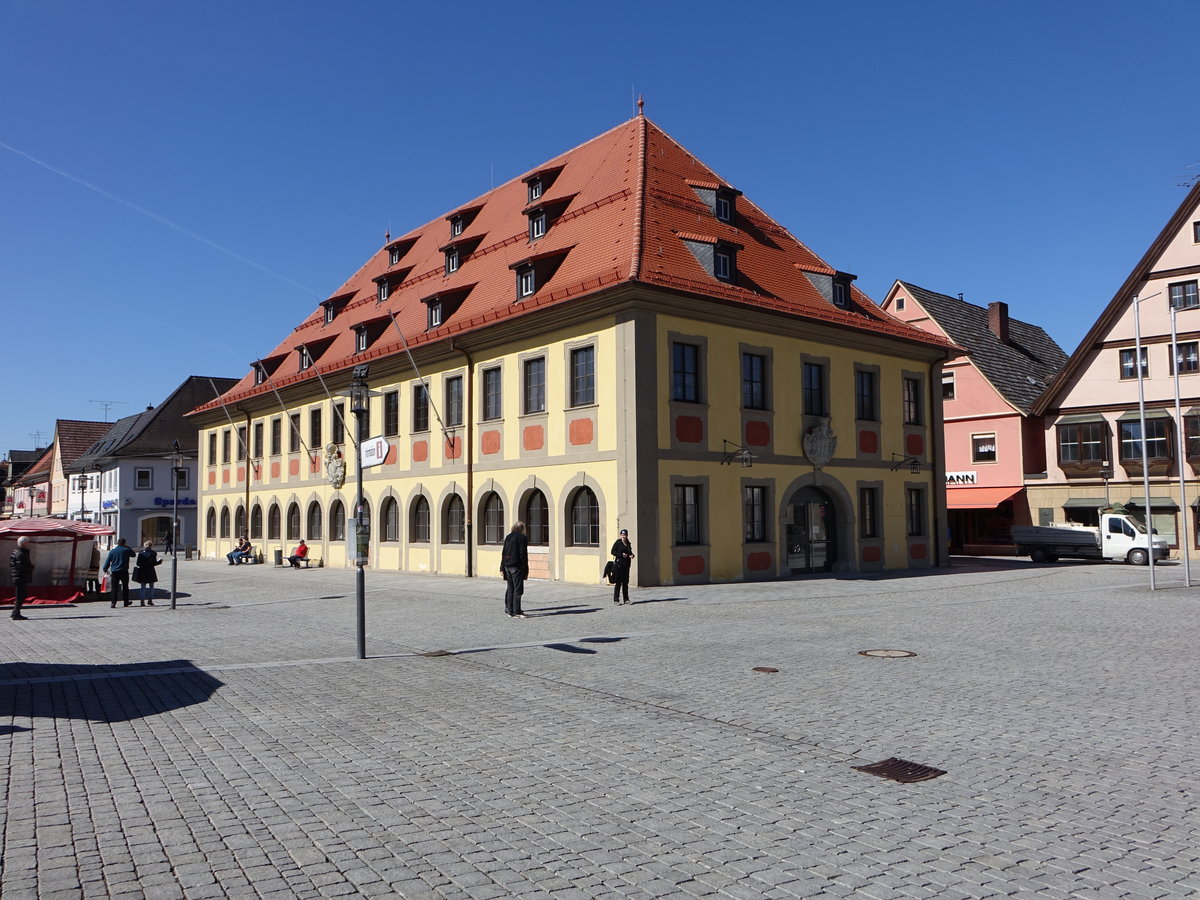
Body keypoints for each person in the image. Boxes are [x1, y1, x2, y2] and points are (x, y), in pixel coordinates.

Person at [499, 521, 529, 618]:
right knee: (518, 589)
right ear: (522, 529)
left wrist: (502, 567)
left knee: (510, 588)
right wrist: (526, 569)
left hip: (507, 565)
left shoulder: (508, 536)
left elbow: (503, 553)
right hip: (517, 566)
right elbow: (523, 554)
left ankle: (509, 610)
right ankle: (517, 611)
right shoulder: (522, 538)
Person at [103, 537, 136, 609]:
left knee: (114, 588)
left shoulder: (112, 551)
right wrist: (128, 547)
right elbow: (134, 555)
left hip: (114, 572)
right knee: (125, 587)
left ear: (118, 543)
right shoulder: (126, 550)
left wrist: (105, 568)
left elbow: (108, 561)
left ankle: (113, 603)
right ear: (124, 543)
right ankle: (126, 602)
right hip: (124, 571)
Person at [9, 536, 33, 620]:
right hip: (20, 577)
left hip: (17, 576)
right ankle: (16, 613)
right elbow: (21, 566)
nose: (29, 544)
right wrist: (31, 568)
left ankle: (15, 612)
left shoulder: (16, 552)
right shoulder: (21, 553)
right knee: (21, 596)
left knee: (21, 595)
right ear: (24, 543)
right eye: (28, 542)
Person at [610, 528, 635, 604]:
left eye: (624, 535)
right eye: (622, 535)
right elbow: (612, 551)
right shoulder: (618, 543)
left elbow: (630, 552)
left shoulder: (628, 543)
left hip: (626, 565)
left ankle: (626, 599)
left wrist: (632, 555)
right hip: (619, 565)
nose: (623, 536)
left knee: (625, 583)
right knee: (618, 582)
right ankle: (616, 599)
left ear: (627, 536)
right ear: (620, 535)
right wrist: (621, 555)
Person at [132, 540, 160, 606]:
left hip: (142, 571)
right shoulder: (153, 553)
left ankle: (142, 601)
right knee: (151, 586)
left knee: (143, 587)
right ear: (151, 546)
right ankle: (150, 600)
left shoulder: (141, 553)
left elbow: (138, 563)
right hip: (150, 571)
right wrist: (159, 562)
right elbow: (153, 563)